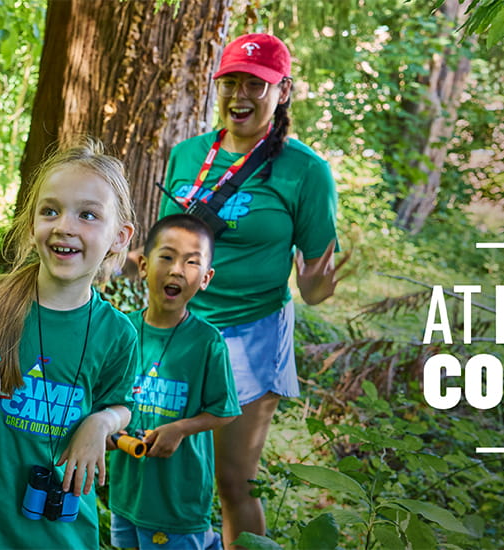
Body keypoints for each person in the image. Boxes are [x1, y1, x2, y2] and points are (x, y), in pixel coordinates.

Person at [154, 33, 350, 547]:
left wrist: (314, 285)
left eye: (256, 85)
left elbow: (313, 286)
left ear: (282, 91)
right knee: (167, 467)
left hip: (250, 333)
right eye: (232, 81)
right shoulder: (187, 154)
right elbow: (166, 245)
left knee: (232, 480)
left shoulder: (306, 171)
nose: (241, 94)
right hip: (177, 331)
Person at [0, 139, 141, 549]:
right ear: (31, 224)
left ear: (119, 236)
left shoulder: (117, 333)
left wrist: (101, 422)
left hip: (61, 532)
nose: (65, 226)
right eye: (50, 211)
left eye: (87, 215)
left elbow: (121, 405)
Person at [107, 214, 240, 550]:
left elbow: (225, 411)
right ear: (142, 265)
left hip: (178, 501)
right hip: (127, 494)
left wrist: (180, 429)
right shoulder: (122, 332)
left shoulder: (206, 342)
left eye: (191, 262)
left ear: (206, 278)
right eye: (166, 257)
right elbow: (105, 398)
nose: (177, 270)